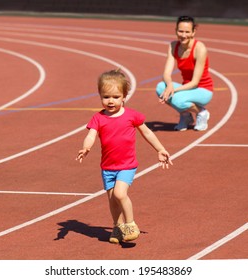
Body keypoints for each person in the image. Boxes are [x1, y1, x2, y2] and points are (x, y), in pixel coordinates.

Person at [76, 69, 172, 244]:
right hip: (107, 167)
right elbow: (91, 135)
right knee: (112, 200)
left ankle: (130, 224)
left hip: (126, 165)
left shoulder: (132, 116)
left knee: (120, 194)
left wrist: (160, 149)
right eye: (106, 97)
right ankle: (117, 227)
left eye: (115, 96)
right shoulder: (98, 118)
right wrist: (86, 148)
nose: (110, 101)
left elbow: (147, 133)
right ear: (100, 96)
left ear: (124, 96)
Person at [156, 16, 213, 131]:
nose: (183, 35)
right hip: (186, 87)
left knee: (177, 99)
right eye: (180, 31)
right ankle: (186, 116)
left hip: (202, 89)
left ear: (193, 32)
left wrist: (173, 90)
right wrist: (169, 86)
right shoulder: (173, 46)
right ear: (176, 30)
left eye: (187, 32)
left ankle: (202, 112)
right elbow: (166, 74)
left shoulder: (200, 48)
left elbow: (195, 83)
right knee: (160, 87)